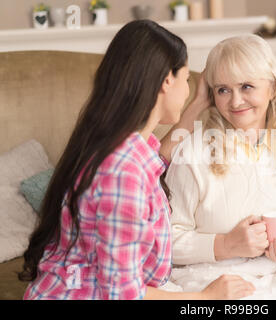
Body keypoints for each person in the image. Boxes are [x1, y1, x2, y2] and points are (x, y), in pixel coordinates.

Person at [18, 20, 254, 300]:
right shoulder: (121, 173)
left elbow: (156, 162)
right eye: (186, 78)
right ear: (168, 81)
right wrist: (206, 297)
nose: (188, 88)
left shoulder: (121, 147)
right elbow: (123, 294)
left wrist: (199, 104)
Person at [165, 34, 276, 266]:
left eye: (246, 86)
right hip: (219, 282)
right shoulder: (192, 152)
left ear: (273, 88)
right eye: (223, 90)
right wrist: (224, 245)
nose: (236, 102)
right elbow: (164, 241)